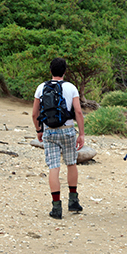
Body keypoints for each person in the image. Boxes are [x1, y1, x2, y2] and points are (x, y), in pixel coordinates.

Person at [32, 58, 85, 219]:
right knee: (71, 163)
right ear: (64, 71)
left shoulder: (41, 88)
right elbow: (78, 112)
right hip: (68, 130)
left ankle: (56, 207)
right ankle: (73, 201)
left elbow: (35, 114)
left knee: (54, 167)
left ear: (50, 71)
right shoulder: (71, 87)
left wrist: (39, 130)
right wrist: (81, 133)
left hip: (49, 131)